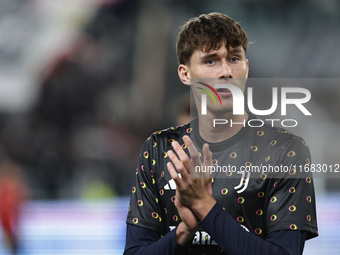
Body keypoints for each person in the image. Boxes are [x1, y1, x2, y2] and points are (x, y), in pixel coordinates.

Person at [124, 12, 318, 255]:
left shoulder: (286, 150)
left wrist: (203, 206)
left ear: (246, 68)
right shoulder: (158, 148)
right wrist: (182, 234)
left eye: (235, 59)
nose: (226, 72)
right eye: (210, 61)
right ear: (185, 74)